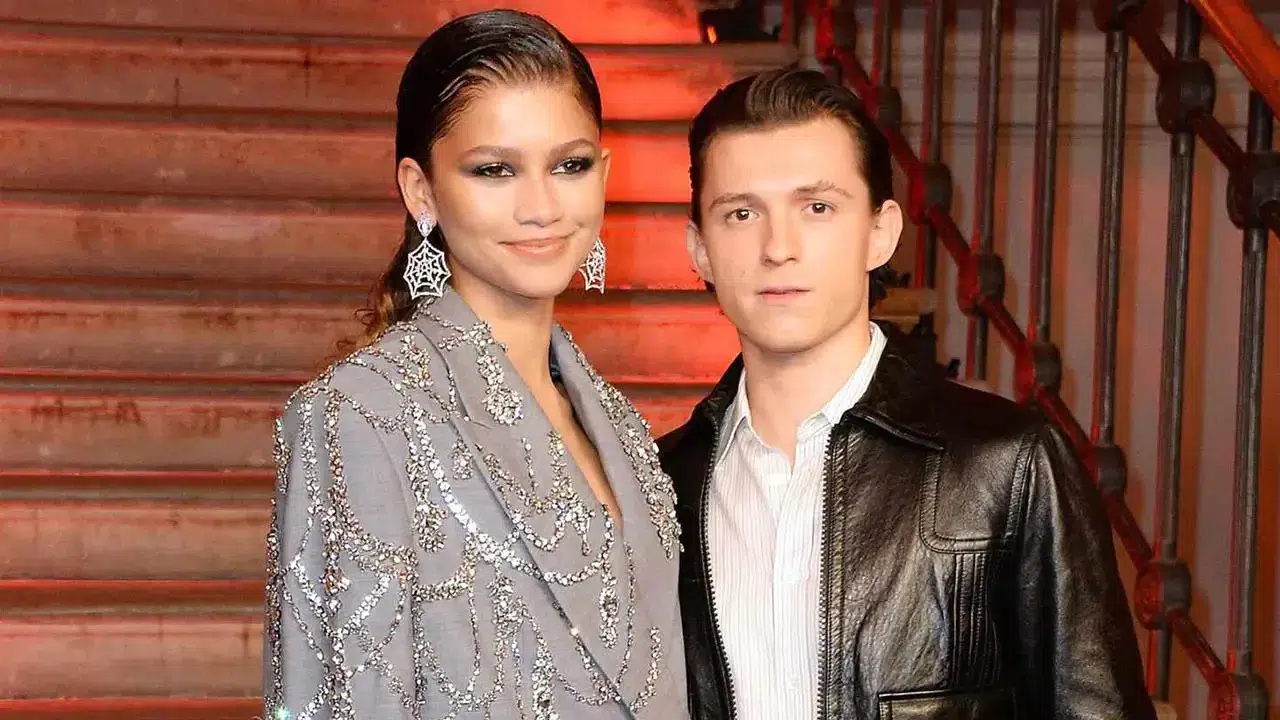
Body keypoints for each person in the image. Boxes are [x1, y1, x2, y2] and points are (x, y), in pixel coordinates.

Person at [658, 68, 1157, 720]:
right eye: (742, 213)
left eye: (817, 208)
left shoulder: (1009, 463)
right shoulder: (659, 485)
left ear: (881, 233)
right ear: (700, 249)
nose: (778, 247)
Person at [264, 10, 688, 719]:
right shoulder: (362, 414)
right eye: (495, 170)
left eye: (570, 165)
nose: (541, 207)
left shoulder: (616, 421)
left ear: (604, 174)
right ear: (421, 190)